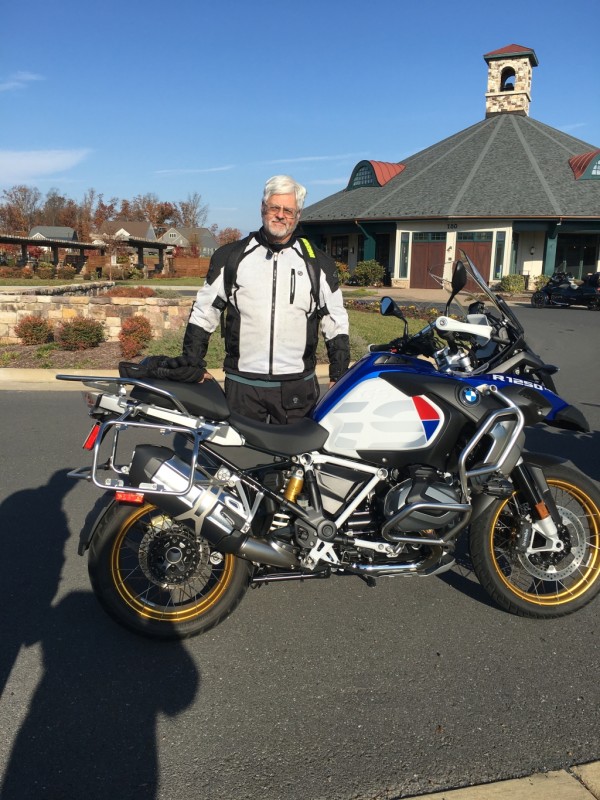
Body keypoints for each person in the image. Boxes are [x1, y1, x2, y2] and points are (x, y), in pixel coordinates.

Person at [181, 175, 350, 423]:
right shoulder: (231, 256)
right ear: (263, 208)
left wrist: (339, 373)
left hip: (296, 387)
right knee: (242, 461)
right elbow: (204, 312)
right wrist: (192, 365)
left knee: (297, 459)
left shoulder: (318, 262)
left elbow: (335, 319)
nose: (280, 215)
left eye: (288, 210)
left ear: (298, 215)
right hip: (243, 386)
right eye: (275, 207)